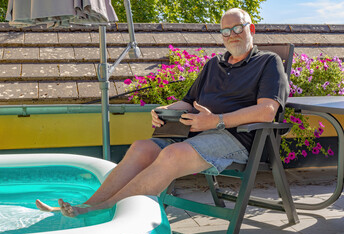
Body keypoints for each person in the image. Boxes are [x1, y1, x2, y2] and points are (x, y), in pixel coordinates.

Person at [36, 8, 289, 217]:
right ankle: (88, 205)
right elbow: (189, 101)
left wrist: (216, 121)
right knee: (141, 148)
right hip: (196, 134)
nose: (232, 35)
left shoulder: (267, 62)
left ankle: (104, 211)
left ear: (251, 29)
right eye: (225, 31)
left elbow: (267, 111)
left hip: (236, 139)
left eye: (237, 28)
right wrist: (165, 110)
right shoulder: (214, 65)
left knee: (171, 155)